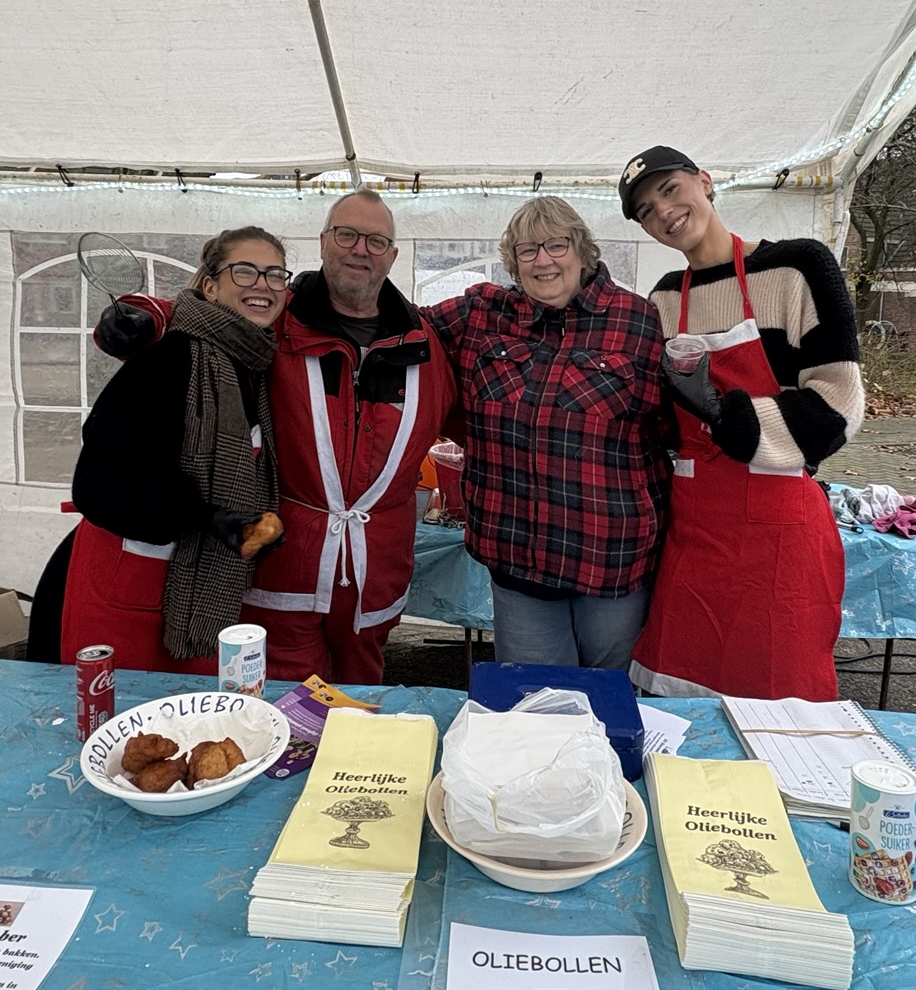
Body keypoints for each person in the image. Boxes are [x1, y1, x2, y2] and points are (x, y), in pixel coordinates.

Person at [617, 147, 863, 700]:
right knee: (678, 700)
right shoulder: (661, 298)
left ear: (705, 181)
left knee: (777, 708)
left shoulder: (797, 267)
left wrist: (727, 415)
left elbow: (838, 404)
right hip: (693, 532)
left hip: (779, 538)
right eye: (647, 210)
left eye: (671, 189)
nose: (664, 211)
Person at [426, 197, 674, 669]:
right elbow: (403, 328)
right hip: (519, 557)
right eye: (527, 251)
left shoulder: (639, 320)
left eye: (556, 245)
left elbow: (673, 427)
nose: (543, 260)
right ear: (513, 264)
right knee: (537, 708)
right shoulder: (483, 312)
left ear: (582, 250)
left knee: (613, 699)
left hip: (611, 556)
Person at [240, 191, 455, 685]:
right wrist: (145, 321)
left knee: (363, 700)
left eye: (376, 240)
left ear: (393, 255)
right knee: (289, 704)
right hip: (286, 561)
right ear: (323, 242)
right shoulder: (274, 320)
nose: (361, 249)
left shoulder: (427, 343)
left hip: (376, 569)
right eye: (347, 235)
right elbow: (205, 317)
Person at [58, 227, 288, 671]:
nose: (262, 285)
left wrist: (246, 523)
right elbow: (98, 485)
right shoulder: (167, 360)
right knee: (121, 729)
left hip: (200, 594)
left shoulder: (254, 365)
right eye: (244, 272)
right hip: (127, 589)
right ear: (209, 284)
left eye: (274, 274)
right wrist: (206, 517)